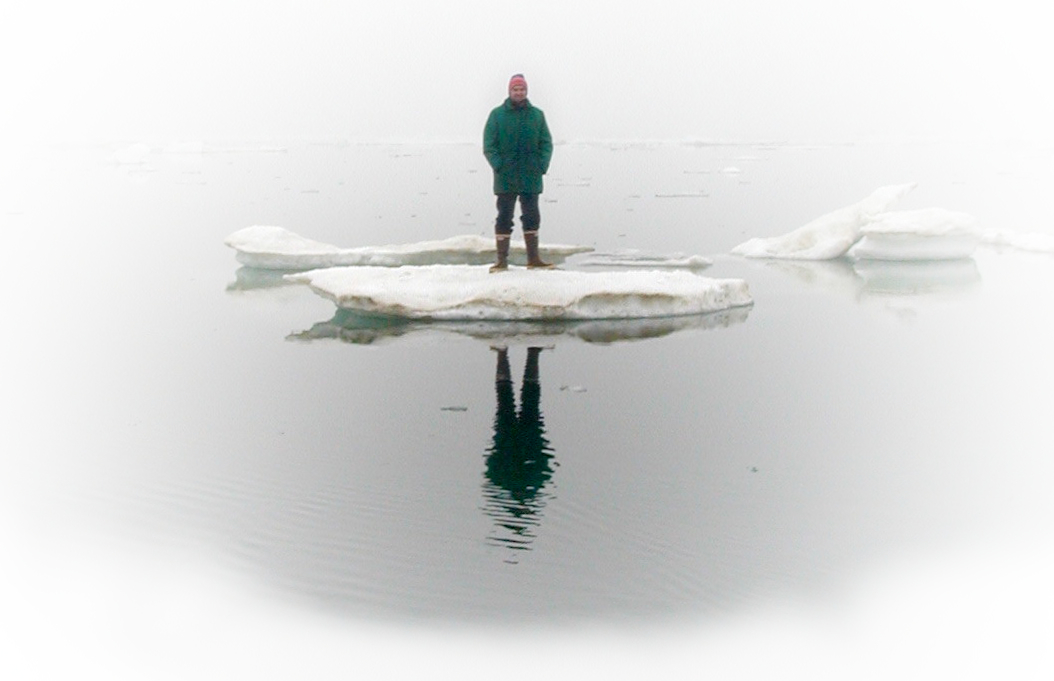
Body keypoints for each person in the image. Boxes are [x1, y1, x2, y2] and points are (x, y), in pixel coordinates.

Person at [483, 74, 555, 272]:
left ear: (526, 91)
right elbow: (489, 145)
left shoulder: (537, 115)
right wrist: (498, 165)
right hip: (505, 177)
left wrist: (541, 165)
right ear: (509, 91)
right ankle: (501, 261)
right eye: (515, 89)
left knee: (532, 216)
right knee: (504, 217)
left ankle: (534, 259)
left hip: (531, 175)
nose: (519, 92)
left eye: (522, 89)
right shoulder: (496, 115)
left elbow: (546, 143)